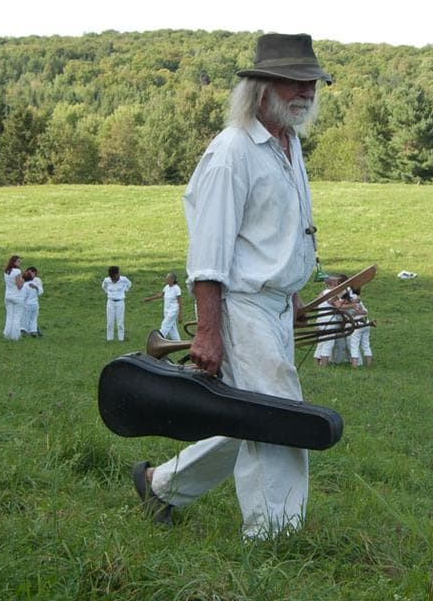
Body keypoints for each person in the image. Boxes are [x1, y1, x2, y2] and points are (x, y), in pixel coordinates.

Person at [132, 33, 330, 538]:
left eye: (310, 81)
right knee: (278, 414)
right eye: (292, 81)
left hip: (273, 305)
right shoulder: (232, 152)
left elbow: (277, 233)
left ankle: (160, 486)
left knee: (243, 413)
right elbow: (210, 255)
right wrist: (208, 332)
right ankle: (273, 537)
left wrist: (292, 291)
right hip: (240, 305)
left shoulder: (289, 144)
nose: (304, 91)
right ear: (261, 87)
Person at [312, 274, 343, 366]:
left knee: (322, 341)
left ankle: (316, 363)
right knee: (328, 342)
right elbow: (339, 306)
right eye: (337, 282)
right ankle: (324, 365)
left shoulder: (322, 293)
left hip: (320, 319)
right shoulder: (331, 293)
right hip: (328, 320)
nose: (339, 283)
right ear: (333, 283)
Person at [143, 272, 184, 341]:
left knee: (165, 324)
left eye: (168, 278)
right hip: (166, 310)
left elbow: (180, 301)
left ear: (173, 279)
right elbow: (160, 295)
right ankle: (178, 341)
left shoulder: (177, 289)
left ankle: (159, 339)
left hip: (173, 310)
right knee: (172, 328)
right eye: (166, 278)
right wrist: (149, 299)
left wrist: (180, 314)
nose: (166, 279)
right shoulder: (166, 287)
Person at [343, 287, 372, 368]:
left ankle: (354, 366)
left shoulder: (349, 302)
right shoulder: (357, 299)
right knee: (366, 345)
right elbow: (365, 311)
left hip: (357, 324)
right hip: (366, 322)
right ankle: (369, 365)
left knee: (354, 345)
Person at [102, 265, 132, 341]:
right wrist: (109, 294)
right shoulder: (107, 280)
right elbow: (104, 287)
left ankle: (121, 339)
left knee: (120, 322)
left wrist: (124, 290)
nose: (118, 275)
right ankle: (109, 339)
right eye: (116, 274)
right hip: (110, 302)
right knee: (109, 322)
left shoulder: (123, 279)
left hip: (120, 302)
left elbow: (129, 284)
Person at [3, 255, 25, 340]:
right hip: (17, 296)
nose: (20, 263)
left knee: (9, 316)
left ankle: (7, 334)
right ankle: (15, 336)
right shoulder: (17, 271)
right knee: (17, 316)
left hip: (8, 296)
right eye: (19, 261)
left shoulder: (6, 271)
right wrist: (23, 281)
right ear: (14, 262)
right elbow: (19, 286)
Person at [20, 266, 44, 337]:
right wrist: (36, 288)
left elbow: (23, 296)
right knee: (33, 318)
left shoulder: (25, 286)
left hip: (27, 304)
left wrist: (21, 302)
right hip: (35, 304)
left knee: (25, 318)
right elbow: (40, 291)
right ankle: (33, 331)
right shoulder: (35, 285)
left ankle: (24, 330)